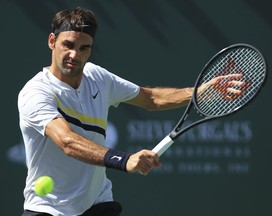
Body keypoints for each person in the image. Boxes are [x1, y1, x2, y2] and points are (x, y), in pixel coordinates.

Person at [18, 6, 246, 216]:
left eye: (83, 48)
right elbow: (67, 141)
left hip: (96, 203)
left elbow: (151, 98)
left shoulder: (97, 77)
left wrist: (202, 91)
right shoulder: (37, 92)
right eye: (68, 45)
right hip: (48, 209)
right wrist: (124, 160)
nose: (75, 55)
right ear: (52, 42)